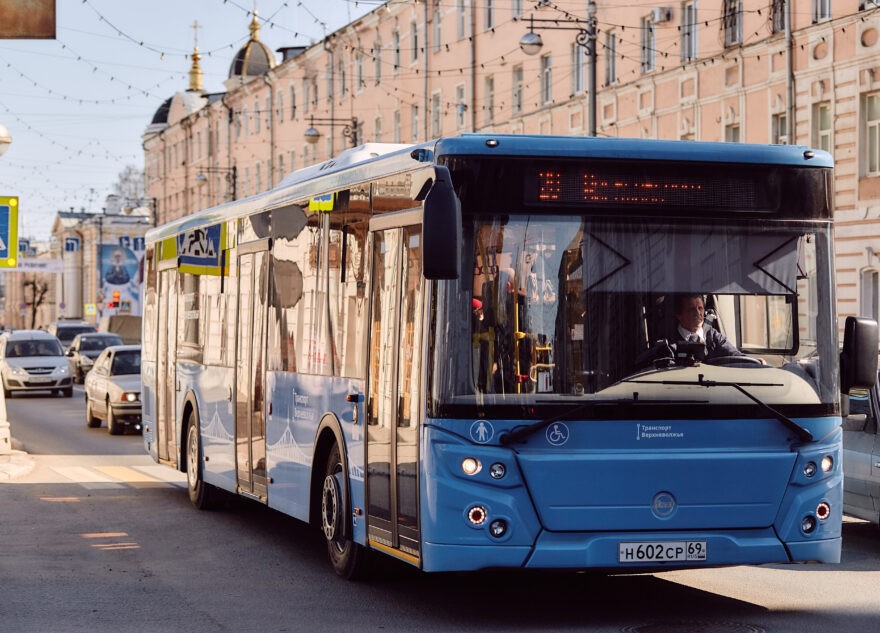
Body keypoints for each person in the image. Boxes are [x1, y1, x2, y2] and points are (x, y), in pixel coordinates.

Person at [671, 293, 743, 360]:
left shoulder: (714, 336)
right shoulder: (670, 342)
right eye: (692, 309)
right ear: (679, 315)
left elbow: (738, 358)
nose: (698, 313)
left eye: (700, 308)